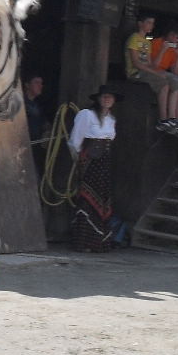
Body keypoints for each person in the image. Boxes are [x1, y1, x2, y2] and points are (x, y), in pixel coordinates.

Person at [124, 14, 178, 140]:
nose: (151, 26)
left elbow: (151, 64)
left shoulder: (147, 42)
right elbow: (136, 63)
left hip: (147, 71)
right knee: (163, 83)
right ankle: (163, 120)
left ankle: (173, 120)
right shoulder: (134, 38)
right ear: (140, 23)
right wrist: (155, 73)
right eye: (148, 22)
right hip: (135, 73)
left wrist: (158, 69)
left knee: (174, 83)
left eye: (152, 23)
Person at [68, 84, 118, 251]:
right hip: (90, 161)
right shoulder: (87, 115)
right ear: (98, 99)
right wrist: (79, 160)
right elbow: (75, 140)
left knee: (102, 198)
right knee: (87, 198)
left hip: (104, 162)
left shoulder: (111, 119)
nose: (107, 99)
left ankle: (98, 242)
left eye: (110, 97)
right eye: (104, 96)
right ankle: (84, 242)